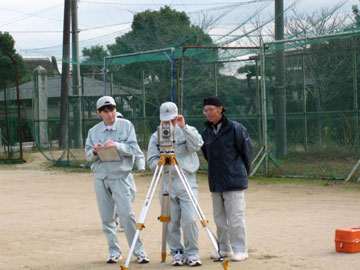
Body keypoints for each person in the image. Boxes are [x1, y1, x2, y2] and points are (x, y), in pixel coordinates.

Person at [85, 96, 149, 264]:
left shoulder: (127, 126)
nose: (109, 114)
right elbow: (88, 156)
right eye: (105, 111)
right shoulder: (93, 131)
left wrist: (117, 146)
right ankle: (114, 251)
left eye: (112, 110)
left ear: (115, 110)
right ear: (99, 113)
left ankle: (138, 251)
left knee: (127, 215)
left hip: (120, 176)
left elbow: (134, 149)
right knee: (106, 217)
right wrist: (95, 152)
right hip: (100, 177)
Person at [147, 101, 203, 267]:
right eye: (165, 121)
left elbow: (197, 145)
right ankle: (176, 251)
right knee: (170, 220)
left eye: (171, 120)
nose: (168, 124)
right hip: (166, 179)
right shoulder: (156, 136)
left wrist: (183, 127)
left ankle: (192, 252)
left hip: (186, 179)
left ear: (177, 117)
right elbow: (151, 159)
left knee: (190, 219)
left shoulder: (188, 130)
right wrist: (160, 163)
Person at [200, 96, 254, 262]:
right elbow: (206, 154)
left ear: (220, 109)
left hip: (234, 180)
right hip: (216, 180)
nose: (208, 113)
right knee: (219, 218)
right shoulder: (206, 132)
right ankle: (224, 249)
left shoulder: (236, 128)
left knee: (235, 217)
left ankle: (241, 249)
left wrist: (240, 171)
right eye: (206, 110)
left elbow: (247, 152)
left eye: (211, 109)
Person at [115, 111, 145, 232]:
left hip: (127, 173)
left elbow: (138, 154)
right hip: (114, 175)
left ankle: (115, 217)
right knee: (120, 198)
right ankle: (123, 223)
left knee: (131, 194)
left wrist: (141, 166)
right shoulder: (107, 140)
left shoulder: (129, 139)